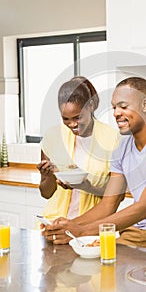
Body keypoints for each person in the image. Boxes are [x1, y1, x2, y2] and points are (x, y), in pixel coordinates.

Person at [42, 76, 146, 256]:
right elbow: (108, 205)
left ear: (145, 105)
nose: (116, 113)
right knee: (102, 272)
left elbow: (145, 206)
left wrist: (83, 231)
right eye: (114, 107)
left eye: (123, 106)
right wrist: (67, 227)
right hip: (133, 232)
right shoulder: (122, 148)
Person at [37, 76, 119, 222]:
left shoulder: (112, 139)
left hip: (92, 224)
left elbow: (118, 195)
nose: (72, 124)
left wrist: (86, 187)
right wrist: (48, 176)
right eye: (66, 119)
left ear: (91, 106)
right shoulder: (52, 138)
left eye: (77, 117)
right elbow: (46, 194)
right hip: (55, 222)